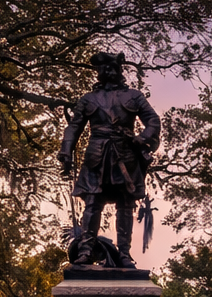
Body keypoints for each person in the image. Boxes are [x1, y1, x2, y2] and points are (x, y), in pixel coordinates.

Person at [59, 52, 161, 265]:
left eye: (114, 67)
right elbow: (74, 126)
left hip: (125, 155)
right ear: (99, 72)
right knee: (92, 202)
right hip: (96, 155)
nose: (110, 72)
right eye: (105, 68)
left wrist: (142, 139)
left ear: (119, 70)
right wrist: (66, 150)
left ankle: (124, 253)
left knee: (125, 204)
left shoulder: (134, 96)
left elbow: (153, 120)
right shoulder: (88, 99)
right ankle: (85, 250)